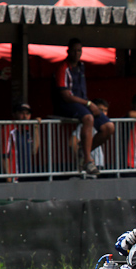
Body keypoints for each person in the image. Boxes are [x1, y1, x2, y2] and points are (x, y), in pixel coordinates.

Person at [53, 38, 114, 176]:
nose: (76, 53)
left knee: (109, 127)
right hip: (67, 105)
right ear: (68, 51)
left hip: (83, 103)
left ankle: (83, 150)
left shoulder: (81, 67)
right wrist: (88, 104)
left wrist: (88, 104)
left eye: (79, 50)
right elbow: (65, 96)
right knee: (88, 118)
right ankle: (87, 160)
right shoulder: (63, 68)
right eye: (74, 50)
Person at [2, 102, 41, 181]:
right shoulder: (8, 129)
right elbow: (4, 155)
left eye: (27, 114)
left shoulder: (28, 130)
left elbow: (34, 150)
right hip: (14, 176)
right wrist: (8, 177)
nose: (25, 116)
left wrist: (36, 127)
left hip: (27, 174)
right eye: (22, 113)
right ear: (14, 114)